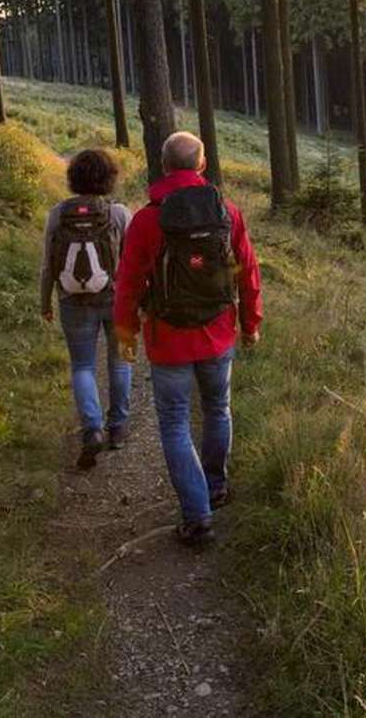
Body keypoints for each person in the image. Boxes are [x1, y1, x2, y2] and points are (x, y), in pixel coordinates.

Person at [114, 131, 262, 545]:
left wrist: (125, 333)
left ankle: (197, 517)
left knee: (176, 424)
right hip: (218, 332)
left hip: (167, 339)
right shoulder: (226, 212)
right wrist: (251, 323)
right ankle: (215, 486)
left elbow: (127, 283)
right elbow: (247, 272)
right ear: (201, 166)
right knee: (218, 408)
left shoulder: (147, 219)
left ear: (163, 167)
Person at [40, 148, 134, 470]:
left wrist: (45, 301)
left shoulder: (57, 214)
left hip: (72, 301)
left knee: (82, 365)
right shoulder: (120, 214)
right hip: (118, 300)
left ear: (73, 178)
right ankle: (118, 427)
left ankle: (92, 429)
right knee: (121, 361)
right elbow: (134, 263)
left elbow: (46, 265)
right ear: (109, 178)